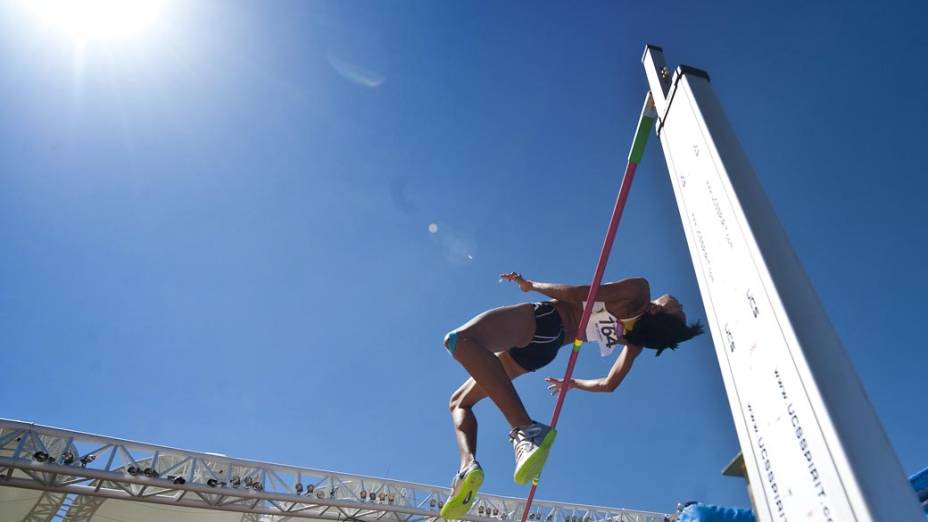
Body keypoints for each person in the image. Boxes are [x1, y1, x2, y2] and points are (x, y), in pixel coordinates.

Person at [438, 273, 704, 519]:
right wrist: (574, 383)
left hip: (545, 321)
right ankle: (467, 467)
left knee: (458, 340)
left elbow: (580, 293)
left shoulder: (639, 292)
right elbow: (610, 384)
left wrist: (531, 285)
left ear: (660, 311)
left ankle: (525, 429)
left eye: (678, 310)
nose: (680, 303)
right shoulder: (635, 341)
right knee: (459, 402)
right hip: (543, 350)